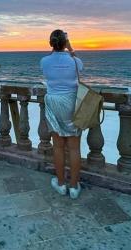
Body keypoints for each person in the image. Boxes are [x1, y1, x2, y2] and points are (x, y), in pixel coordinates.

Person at [40, 30, 83, 199]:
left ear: (51, 43)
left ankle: (60, 183)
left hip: (53, 102)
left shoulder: (44, 61)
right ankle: (73, 187)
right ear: (65, 43)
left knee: (57, 146)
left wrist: (57, 48)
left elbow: (49, 63)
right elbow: (79, 67)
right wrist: (69, 48)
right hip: (71, 102)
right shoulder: (74, 61)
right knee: (74, 147)